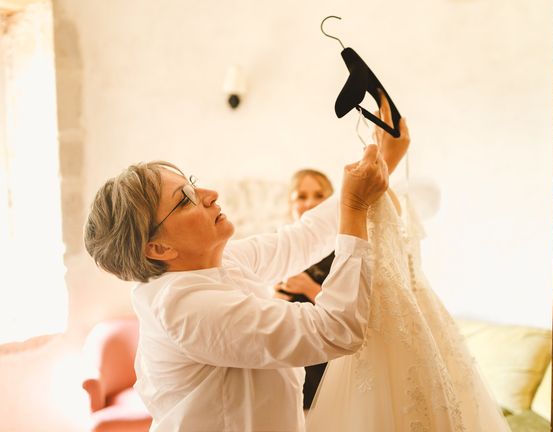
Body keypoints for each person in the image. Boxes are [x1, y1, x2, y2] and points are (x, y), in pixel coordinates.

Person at [83, 119, 409, 431]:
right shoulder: (184, 308)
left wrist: (382, 164)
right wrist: (354, 207)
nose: (209, 194)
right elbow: (336, 330)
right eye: (185, 200)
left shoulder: (218, 263)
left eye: (192, 184)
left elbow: (302, 239)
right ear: (158, 248)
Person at [273, 168, 335, 409]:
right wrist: (274, 298)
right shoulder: (279, 250)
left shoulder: (343, 249)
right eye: (301, 196)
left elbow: (357, 314)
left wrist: (310, 288)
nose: (310, 203)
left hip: (331, 363)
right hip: (291, 359)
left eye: (319, 195)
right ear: (290, 204)